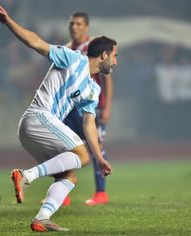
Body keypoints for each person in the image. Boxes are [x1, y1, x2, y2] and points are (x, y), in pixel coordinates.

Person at [0, 4, 117, 232]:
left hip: (38, 129)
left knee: (69, 177)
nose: (116, 62)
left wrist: (100, 159)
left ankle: (42, 218)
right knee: (81, 155)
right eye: (115, 56)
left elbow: (89, 123)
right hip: (38, 117)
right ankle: (26, 175)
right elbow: (35, 42)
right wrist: (9, 22)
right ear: (105, 54)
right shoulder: (72, 58)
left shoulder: (93, 89)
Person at [63, 12, 114, 206]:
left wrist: (107, 107)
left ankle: (101, 193)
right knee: (66, 147)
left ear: (86, 27)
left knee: (96, 148)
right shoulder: (67, 49)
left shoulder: (94, 47)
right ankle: (63, 193)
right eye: (71, 23)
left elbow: (107, 79)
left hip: (92, 107)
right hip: (71, 108)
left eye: (78, 24)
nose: (73, 27)